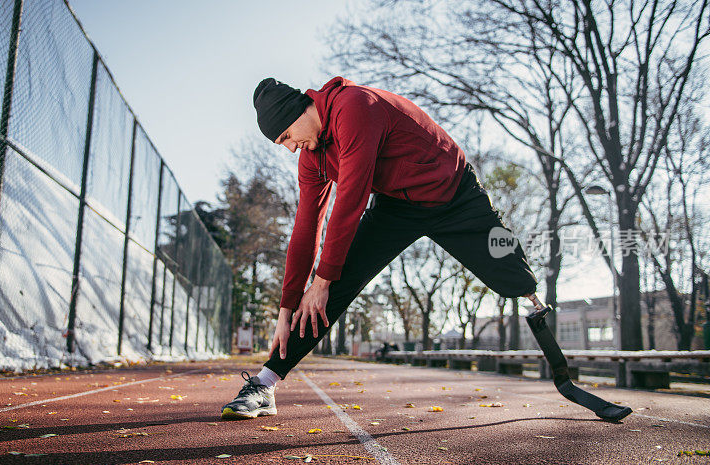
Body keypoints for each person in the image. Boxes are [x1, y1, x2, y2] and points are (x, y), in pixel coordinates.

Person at [221, 77, 631, 423]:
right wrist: (287, 307)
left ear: (299, 112)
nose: (291, 147)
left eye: (287, 136)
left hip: (455, 193)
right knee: (330, 290)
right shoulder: (313, 157)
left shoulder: (353, 106)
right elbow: (306, 228)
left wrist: (322, 276)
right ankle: (266, 384)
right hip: (398, 208)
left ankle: (554, 353)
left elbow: (352, 195)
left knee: (511, 268)